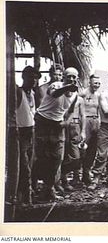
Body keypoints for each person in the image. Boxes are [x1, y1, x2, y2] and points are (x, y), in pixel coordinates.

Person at [32, 67, 79, 201]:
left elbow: (70, 111)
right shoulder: (56, 85)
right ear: (63, 77)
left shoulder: (75, 94)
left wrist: (66, 123)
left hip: (58, 125)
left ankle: (49, 188)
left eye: (73, 77)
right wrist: (67, 87)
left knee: (57, 157)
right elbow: (54, 94)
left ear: (77, 79)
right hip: (43, 122)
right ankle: (32, 185)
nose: (71, 79)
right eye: (68, 76)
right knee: (40, 157)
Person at [16, 66, 41, 204]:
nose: (33, 81)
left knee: (31, 163)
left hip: (31, 131)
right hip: (21, 132)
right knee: (23, 165)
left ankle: (27, 193)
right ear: (24, 77)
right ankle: (23, 195)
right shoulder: (18, 92)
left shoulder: (32, 93)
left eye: (35, 78)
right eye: (31, 77)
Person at [78, 74, 101, 185]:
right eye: (95, 83)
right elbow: (78, 109)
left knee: (93, 149)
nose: (96, 85)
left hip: (95, 122)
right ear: (89, 83)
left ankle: (86, 173)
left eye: (98, 83)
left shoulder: (99, 95)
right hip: (85, 121)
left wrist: (99, 122)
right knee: (83, 148)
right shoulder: (82, 93)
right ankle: (77, 174)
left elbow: (99, 110)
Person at [60, 95, 86, 191]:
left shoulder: (79, 99)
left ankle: (71, 176)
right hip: (63, 125)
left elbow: (83, 115)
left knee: (76, 156)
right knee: (63, 154)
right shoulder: (61, 97)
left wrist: (83, 131)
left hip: (75, 126)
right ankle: (64, 181)